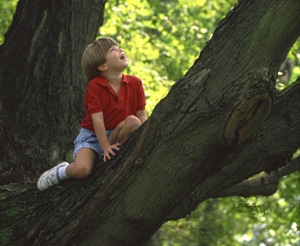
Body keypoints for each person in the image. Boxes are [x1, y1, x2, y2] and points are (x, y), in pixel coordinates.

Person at [37, 37, 147, 191]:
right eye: (113, 50)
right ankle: (60, 171)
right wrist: (105, 147)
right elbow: (98, 121)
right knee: (82, 171)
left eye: (118, 47)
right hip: (92, 136)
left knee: (134, 122)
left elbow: (142, 115)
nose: (120, 50)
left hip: (117, 133)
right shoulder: (95, 86)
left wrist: (145, 138)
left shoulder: (136, 84)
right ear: (102, 66)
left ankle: (115, 157)